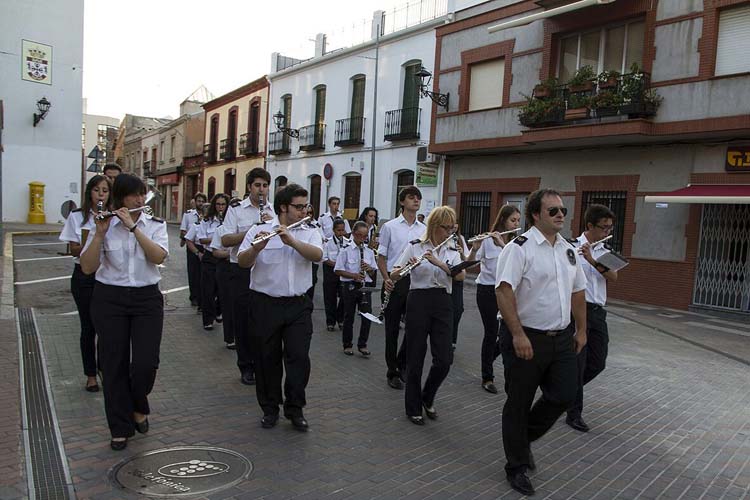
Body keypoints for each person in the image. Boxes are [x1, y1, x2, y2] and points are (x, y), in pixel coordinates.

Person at [494, 188, 587, 496]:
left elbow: (578, 292)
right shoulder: (519, 248)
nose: (561, 215)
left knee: (564, 394)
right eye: (553, 211)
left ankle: (522, 440)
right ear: (536, 215)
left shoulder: (568, 249)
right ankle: (516, 466)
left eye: (562, 210)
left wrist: (582, 330)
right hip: (526, 337)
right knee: (518, 403)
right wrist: (518, 334)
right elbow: (503, 291)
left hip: (561, 338)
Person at [80, 174, 169, 451]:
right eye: (133, 195)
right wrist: (99, 234)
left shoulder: (155, 224)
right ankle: (120, 427)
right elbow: (87, 267)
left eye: (142, 194)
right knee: (113, 363)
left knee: (145, 363)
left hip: (146, 299)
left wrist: (133, 228)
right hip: (110, 298)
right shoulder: (102, 224)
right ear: (119, 198)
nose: (140, 200)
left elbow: (158, 257)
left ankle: (138, 404)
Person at [237, 183, 323, 431]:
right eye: (298, 207)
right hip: (265, 304)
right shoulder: (259, 229)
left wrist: (293, 241)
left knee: (299, 357)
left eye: (305, 206)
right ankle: (270, 408)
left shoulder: (309, 230)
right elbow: (243, 262)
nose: (303, 211)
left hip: (298, 304)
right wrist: (256, 247)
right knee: (267, 360)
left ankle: (295, 408)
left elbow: (317, 255)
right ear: (283, 207)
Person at [391, 206, 464, 425]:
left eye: (452, 228)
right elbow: (395, 274)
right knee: (415, 356)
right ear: (434, 226)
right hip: (419, 301)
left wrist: (439, 263)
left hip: (443, 301)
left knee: (444, 359)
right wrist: (407, 268)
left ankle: (427, 395)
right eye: (446, 228)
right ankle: (413, 407)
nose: (449, 232)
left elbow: (460, 276)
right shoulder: (415, 247)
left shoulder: (452, 248)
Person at [566, 204, 618, 433]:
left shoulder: (605, 250)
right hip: (577, 310)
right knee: (578, 363)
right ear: (589, 226)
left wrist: (593, 260)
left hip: (598, 311)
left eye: (610, 228)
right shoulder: (569, 247)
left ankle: (564, 392)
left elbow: (614, 277)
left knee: (598, 362)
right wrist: (582, 256)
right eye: (603, 227)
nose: (607, 232)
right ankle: (573, 413)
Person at [221, 168, 274, 386]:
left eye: (265, 186)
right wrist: (252, 230)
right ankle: (245, 365)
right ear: (249, 187)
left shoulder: (273, 210)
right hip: (241, 269)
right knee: (242, 320)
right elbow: (225, 240)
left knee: (262, 320)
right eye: (257, 185)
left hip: (263, 269)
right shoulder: (236, 210)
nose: (261, 190)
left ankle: (261, 363)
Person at [59, 174, 111, 393]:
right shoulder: (77, 217)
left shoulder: (113, 217)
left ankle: (104, 368)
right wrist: (93, 237)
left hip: (106, 276)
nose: (101, 194)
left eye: (105, 191)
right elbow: (73, 249)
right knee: (88, 327)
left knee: (107, 327)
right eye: (97, 190)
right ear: (89, 192)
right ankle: (90, 374)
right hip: (84, 276)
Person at [467, 204, 521, 394]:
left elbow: (518, 264)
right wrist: (474, 249)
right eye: (513, 220)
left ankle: (487, 360)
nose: (516, 223)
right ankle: (487, 377)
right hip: (487, 290)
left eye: (518, 221)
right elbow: (470, 263)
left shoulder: (516, 243)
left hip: (507, 292)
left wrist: (503, 245)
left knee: (506, 332)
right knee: (491, 332)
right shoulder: (488, 240)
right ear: (503, 220)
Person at [376, 185, 425, 390]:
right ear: (402, 201)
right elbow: (382, 256)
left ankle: (402, 363)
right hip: (395, 280)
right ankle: (392, 371)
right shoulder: (390, 226)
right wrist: (386, 278)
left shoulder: (424, 229)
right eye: (412, 198)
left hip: (415, 282)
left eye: (418, 198)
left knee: (415, 329)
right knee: (392, 329)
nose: (416, 201)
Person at [335, 221, 377, 356]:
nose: (362, 239)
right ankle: (347, 344)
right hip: (350, 286)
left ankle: (363, 344)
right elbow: (338, 270)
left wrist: (369, 269)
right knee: (349, 316)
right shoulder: (345, 250)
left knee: (367, 316)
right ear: (353, 234)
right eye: (359, 235)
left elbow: (373, 272)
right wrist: (354, 275)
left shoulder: (369, 251)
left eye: (365, 236)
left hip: (365, 287)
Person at [197, 194, 229, 331]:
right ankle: (208, 319)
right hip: (210, 256)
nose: (220, 207)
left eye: (223, 204)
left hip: (224, 257)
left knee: (223, 290)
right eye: (218, 204)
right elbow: (201, 239)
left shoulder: (229, 221)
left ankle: (218, 311)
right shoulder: (207, 221)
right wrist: (217, 238)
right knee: (208, 290)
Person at [210, 198, 234, 349]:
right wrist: (229, 254)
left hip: (243, 269)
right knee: (228, 304)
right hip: (226, 268)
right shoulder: (221, 229)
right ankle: (230, 338)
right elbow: (215, 251)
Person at [180, 193, 207, 307]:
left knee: (203, 273)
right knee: (193, 272)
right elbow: (183, 230)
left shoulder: (208, 215)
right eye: (198, 201)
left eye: (202, 201)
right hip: (192, 245)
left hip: (204, 246)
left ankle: (202, 297)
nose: (200, 203)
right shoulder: (188, 215)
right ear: (195, 202)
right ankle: (194, 296)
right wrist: (188, 237)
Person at [322, 219, 347, 331]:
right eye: (338, 230)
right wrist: (337, 265)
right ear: (333, 230)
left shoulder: (348, 242)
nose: (341, 233)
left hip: (343, 273)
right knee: (330, 297)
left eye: (342, 230)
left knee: (344, 297)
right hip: (331, 272)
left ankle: (340, 319)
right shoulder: (328, 242)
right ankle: (330, 322)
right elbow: (325, 258)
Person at [449, 224, 469, 355]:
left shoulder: (460, 238)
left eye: (456, 227)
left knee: (458, 310)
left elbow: (467, 258)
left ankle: (452, 340)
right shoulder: (443, 238)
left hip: (458, 278)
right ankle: (446, 340)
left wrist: (461, 253)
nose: (454, 229)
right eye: (452, 227)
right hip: (446, 278)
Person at [305, 204, 324, 300]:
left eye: (311, 213)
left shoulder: (316, 225)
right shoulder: (299, 224)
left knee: (312, 281)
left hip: (313, 260)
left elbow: (322, 238)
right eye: (307, 213)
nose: (309, 215)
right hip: (303, 258)